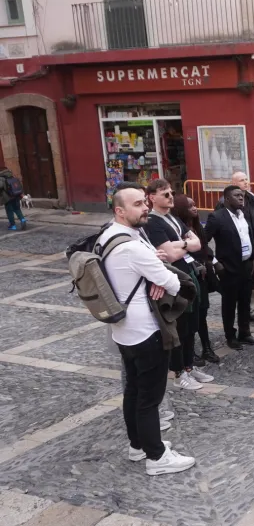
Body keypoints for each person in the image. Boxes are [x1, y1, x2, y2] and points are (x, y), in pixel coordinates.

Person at [100, 182, 196, 475]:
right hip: (146, 332)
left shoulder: (108, 236)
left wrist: (151, 270)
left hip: (124, 331)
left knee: (133, 391)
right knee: (149, 397)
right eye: (137, 205)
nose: (145, 208)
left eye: (144, 202)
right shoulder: (131, 247)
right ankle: (157, 457)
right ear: (120, 210)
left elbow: (144, 269)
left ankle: (138, 445)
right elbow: (174, 283)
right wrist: (157, 272)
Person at [145, 179, 213, 391]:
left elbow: (197, 243)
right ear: (152, 197)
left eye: (171, 192)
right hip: (174, 279)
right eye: (165, 194)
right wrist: (185, 245)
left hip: (189, 276)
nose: (170, 197)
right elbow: (172, 255)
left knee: (191, 324)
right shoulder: (153, 222)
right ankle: (178, 372)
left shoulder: (173, 218)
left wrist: (180, 244)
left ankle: (189, 367)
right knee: (179, 327)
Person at [205, 186, 254, 350]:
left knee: (245, 301)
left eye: (242, 195)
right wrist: (214, 262)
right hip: (228, 268)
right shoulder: (216, 217)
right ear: (226, 199)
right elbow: (203, 241)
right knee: (229, 304)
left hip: (246, 265)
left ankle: (245, 333)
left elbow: (250, 238)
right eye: (237, 196)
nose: (241, 198)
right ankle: (230, 336)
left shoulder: (243, 215)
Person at [171, 194, 219, 366]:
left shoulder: (197, 227)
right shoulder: (177, 229)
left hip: (202, 276)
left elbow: (205, 248)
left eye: (195, 205)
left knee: (203, 312)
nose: (194, 208)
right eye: (190, 205)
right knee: (189, 316)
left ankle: (207, 347)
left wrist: (211, 261)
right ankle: (190, 353)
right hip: (187, 277)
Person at [229, 171, 254, 324]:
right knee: (241, 278)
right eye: (241, 180)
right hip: (240, 245)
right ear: (234, 183)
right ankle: (242, 309)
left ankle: (251, 309)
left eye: (246, 179)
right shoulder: (228, 201)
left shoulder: (252, 197)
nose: (246, 182)